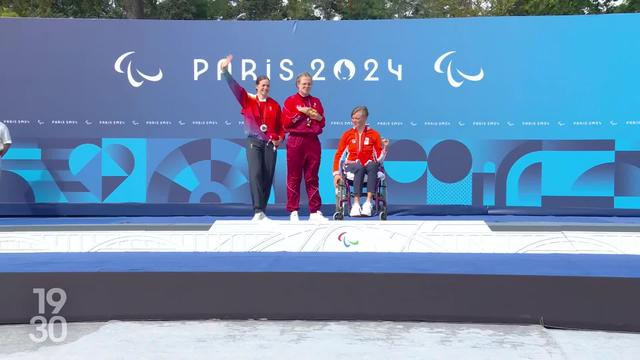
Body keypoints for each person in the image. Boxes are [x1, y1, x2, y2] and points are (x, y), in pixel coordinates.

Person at [220, 55, 283, 221]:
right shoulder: (247, 99)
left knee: (267, 176)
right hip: (253, 141)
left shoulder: (275, 105)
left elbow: (281, 127)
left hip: (270, 143)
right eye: (263, 85)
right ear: (256, 87)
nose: (265, 88)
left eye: (268, 86)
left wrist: (280, 138)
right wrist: (225, 71)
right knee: (255, 173)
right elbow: (234, 87)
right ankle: (257, 211)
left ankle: (263, 210)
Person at [282, 73, 327, 222]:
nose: (306, 86)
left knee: (312, 176)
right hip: (296, 141)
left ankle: (314, 211)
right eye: (304, 84)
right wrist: (301, 113)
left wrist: (317, 117)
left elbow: (322, 122)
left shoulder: (316, 101)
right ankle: (293, 210)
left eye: (309, 84)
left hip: (312, 141)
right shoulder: (290, 101)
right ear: (298, 85)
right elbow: (286, 123)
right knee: (294, 176)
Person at [332, 106, 389, 217]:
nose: (354, 121)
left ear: (365, 118)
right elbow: (339, 155)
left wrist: (385, 148)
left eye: (357, 118)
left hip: (370, 166)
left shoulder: (374, 134)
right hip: (352, 165)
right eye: (353, 118)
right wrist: (336, 174)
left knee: (373, 165)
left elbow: (379, 159)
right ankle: (356, 204)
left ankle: (368, 203)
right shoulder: (347, 134)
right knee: (359, 167)